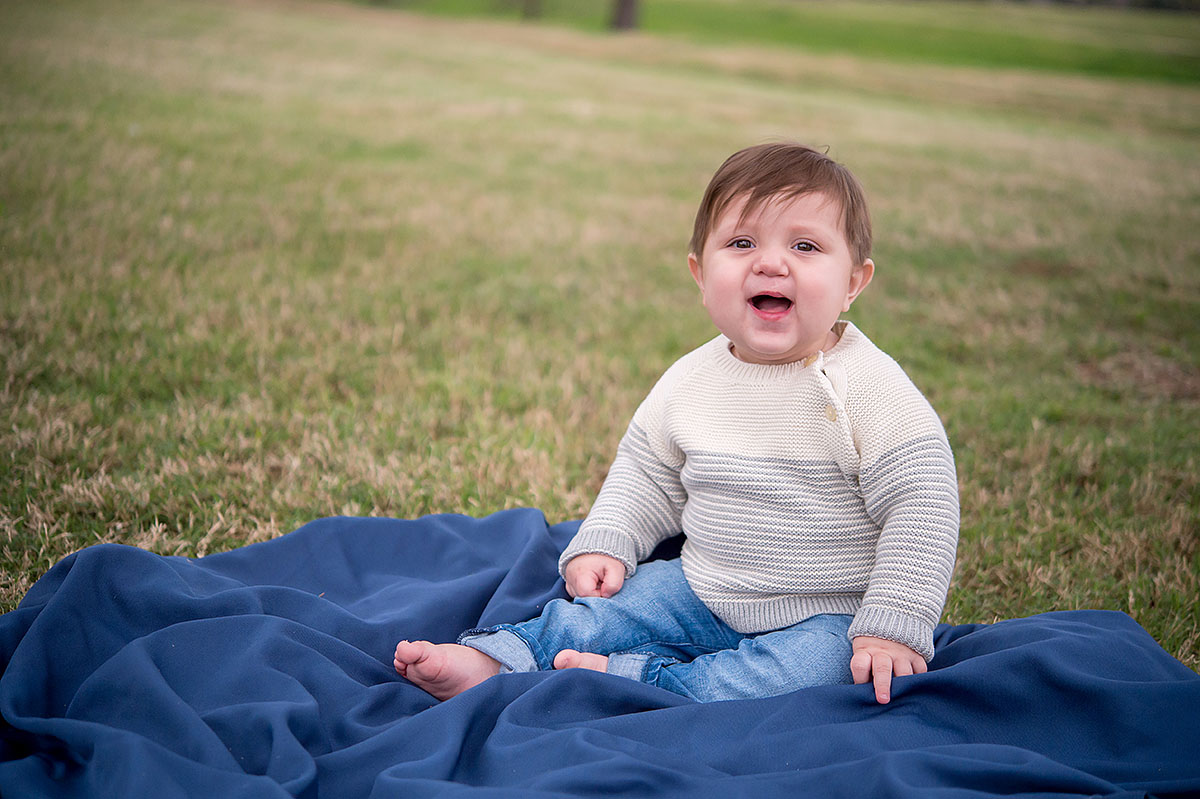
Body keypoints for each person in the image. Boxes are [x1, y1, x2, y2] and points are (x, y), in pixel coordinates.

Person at [395, 142, 959, 705]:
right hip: (701, 589)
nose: (770, 263)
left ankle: (645, 682)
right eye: (742, 243)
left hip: (830, 610)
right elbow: (647, 473)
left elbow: (923, 505)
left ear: (854, 282)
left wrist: (892, 621)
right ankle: (498, 657)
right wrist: (608, 539)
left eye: (805, 246)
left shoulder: (870, 389)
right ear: (700, 273)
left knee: (817, 669)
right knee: (609, 611)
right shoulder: (692, 379)